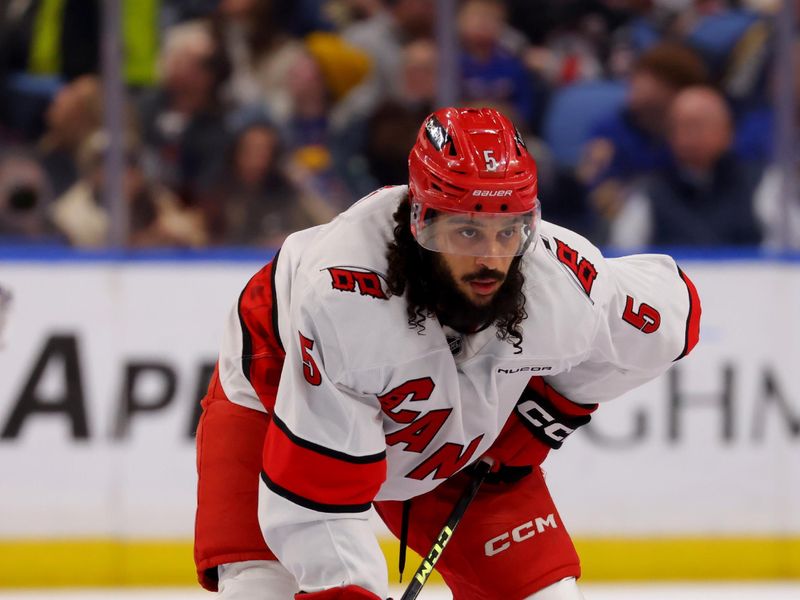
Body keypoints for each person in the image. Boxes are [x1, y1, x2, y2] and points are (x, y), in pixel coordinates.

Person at [194, 107, 701, 600]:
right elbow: (317, 505)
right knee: (261, 588)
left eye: (509, 232)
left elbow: (675, 317)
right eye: (466, 231)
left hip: (453, 441)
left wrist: (548, 409)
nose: (490, 258)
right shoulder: (345, 300)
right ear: (420, 222)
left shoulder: (565, 283)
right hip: (274, 383)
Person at [609, 85, 763, 248]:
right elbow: (625, 256)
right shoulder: (649, 193)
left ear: (727, 130)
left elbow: (785, 256)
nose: (689, 135)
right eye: (680, 126)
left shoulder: (760, 184)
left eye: (698, 125)